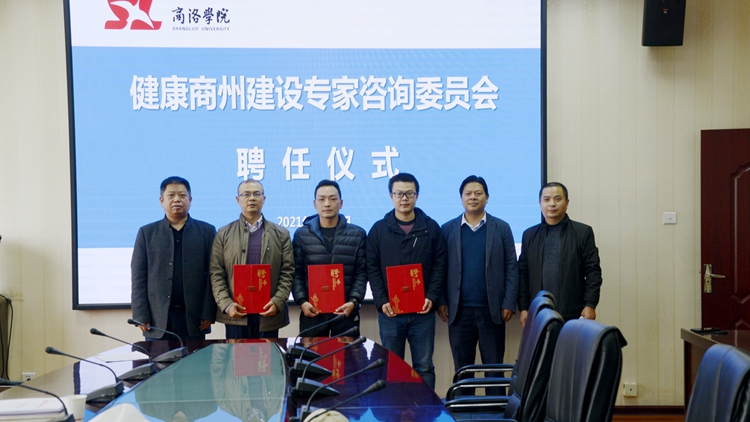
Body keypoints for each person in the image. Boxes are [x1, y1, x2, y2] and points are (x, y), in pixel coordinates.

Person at [366, 172, 447, 390]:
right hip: (391, 313)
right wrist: (381, 300)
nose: (404, 198)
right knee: (393, 367)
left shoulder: (431, 228)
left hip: (422, 312)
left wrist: (431, 296)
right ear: (391, 196)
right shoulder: (379, 229)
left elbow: (440, 265)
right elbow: (372, 268)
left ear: (417, 196)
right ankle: (396, 407)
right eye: (399, 193)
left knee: (424, 366)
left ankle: (426, 408)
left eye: (409, 193)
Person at [439, 176, 519, 387]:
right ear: (461, 198)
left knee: (494, 369)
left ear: (487, 197)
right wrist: (441, 300)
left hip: (492, 311)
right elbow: (440, 269)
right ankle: (464, 408)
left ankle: (496, 408)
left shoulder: (501, 228)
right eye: (468, 193)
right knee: (463, 371)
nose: (473, 197)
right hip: (459, 312)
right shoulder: (447, 229)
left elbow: (512, 267)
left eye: (478, 193)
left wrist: (509, 302)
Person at [131, 176, 216, 341]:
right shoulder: (147, 233)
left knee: (196, 358)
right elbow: (138, 276)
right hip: (157, 319)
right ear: (161, 200)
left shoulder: (206, 231)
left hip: (195, 318)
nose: (177, 199)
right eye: (171, 195)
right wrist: (141, 314)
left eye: (182, 195)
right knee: (158, 359)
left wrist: (208, 312)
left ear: (190, 200)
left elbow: (213, 274)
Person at [210, 179, 293, 339]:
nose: (252, 198)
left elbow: (287, 272)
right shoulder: (223, 234)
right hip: (236, 313)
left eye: (256, 194)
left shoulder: (281, 234)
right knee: (236, 355)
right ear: (238, 199)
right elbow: (216, 273)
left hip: (268, 312)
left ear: (264, 198)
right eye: (246, 194)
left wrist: (278, 301)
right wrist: (226, 304)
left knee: (268, 355)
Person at [517, 182, 602, 324]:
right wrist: (524, 308)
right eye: (546, 199)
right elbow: (523, 274)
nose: (552, 204)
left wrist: (590, 304)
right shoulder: (529, 235)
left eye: (557, 199)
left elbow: (593, 272)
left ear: (567, 203)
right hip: (538, 312)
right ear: (540, 204)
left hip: (574, 311)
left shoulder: (582, 232)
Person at [292, 180, 367, 336]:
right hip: (312, 311)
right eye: (322, 199)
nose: (327, 203)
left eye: (332, 199)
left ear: (341, 203)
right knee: (311, 352)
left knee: (347, 352)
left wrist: (354, 301)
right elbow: (296, 273)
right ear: (315, 204)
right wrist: (302, 301)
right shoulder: (302, 235)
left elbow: (361, 272)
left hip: (345, 312)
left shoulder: (357, 234)